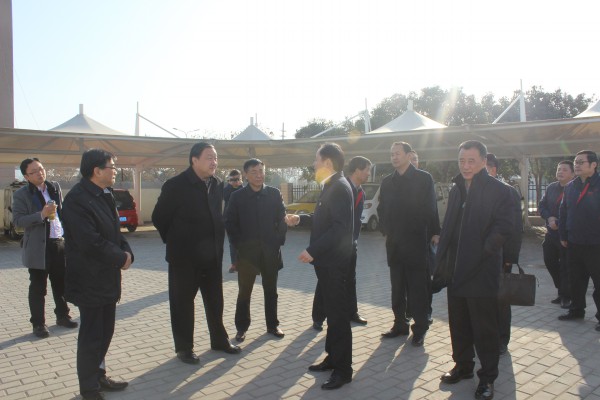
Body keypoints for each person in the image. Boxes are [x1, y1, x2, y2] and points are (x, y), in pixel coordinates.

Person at [436, 140, 513, 400]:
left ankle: (487, 378)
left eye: (471, 161)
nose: (466, 166)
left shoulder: (500, 190)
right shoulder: (456, 188)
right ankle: (463, 366)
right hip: (455, 270)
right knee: (458, 324)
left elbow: (504, 227)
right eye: (462, 161)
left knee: (484, 330)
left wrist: (483, 251)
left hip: (481, 270)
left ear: (483, 161)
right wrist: (441, 260)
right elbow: (449, 225)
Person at [152, 142, 241, 365]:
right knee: (182, 303)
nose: (214, 162)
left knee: (215, 301)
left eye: (216, 158)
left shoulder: (217, 184)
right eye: (209, 157)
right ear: (194, 160)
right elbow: (159, 217)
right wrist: (176, 241)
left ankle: (219, 340)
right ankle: (184, 348)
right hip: (184, 258)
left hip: (212, 256)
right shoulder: (175, 185)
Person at [62, 149, 133, 400]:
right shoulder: (77, 200)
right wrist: (120, 257)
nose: (115, 172)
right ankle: (89, 388)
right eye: (112, 167)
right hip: (88, 279)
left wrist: (127, 251)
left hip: (107, 277)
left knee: (105, 331)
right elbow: (89, 242)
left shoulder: (104, 194)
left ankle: (99, 374)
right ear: (97, 170)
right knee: (92, 335)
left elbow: (115, 231)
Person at [286, 143, 354, 390]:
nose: (314, 164)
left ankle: (343, 371)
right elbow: (324, 220)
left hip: (335, 265)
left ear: (327, 162)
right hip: (327, 265)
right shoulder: (330, 185)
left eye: (316, 160)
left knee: (338, 317)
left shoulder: (339, 187)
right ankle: (333, 358)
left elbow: (339, 229)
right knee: (332, 315)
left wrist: (312, 250)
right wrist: (301, 219)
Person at [377, 141, 440, 346]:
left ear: (408, 155)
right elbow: (381, 208)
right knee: (397, 288)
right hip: (394, 244)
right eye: (392, 154)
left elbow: (430, 208)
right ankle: (399, 324)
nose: (394, 157)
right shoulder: (387, 181)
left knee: (417, 289)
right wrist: (386, 230)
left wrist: (433, 232)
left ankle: (420, 328)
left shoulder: (423, 178)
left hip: (416, 243)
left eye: (397, 153)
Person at [12, 158, 78, 338]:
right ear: (26, 176)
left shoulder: (54, 187)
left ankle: (63, 316)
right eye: (34, 172)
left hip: (58, 243)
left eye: (41, 169)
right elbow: (18, 221)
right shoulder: (22, 194)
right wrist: (41, 215)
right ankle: (38, 324)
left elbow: (61, 212)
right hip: (38, 248)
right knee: (38, 288)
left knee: (61, 284)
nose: (40, 173)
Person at [224, 159, 287, 342]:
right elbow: (230, 222)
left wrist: (278, 241)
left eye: (261, 171)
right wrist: (239, 246)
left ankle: (273, 325)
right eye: (254, 172)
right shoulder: (237, 196)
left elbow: (282, 218)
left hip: (270, 252)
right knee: (244, 292)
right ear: (245, 174)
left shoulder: (274, 193)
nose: (259, 175)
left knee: (271, 290)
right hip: (247, 254)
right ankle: (241, 327)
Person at [312, 156, 370, 329]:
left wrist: (354, 240)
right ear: (357, 170)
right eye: (367, 169)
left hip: (350, 244)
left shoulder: (360, 192)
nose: (369, 173)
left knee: (350, 279)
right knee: (326, 282)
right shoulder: (342, 188)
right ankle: (318, 316)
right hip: (334, 247)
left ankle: (352, 312)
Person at [558, 150, 600, 332]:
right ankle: (576, 310)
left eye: (581, 162)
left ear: (593, 165)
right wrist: (563, 235)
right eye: (576, 162)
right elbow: (563, 212)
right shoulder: (570, 187)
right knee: (576, 279)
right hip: (574, 242)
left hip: (596, 243)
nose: (577, 165)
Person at [485, 153, 523, 355]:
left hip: (500, 257)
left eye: (485, 167)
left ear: (494, 169)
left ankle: (501, 339)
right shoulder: (469, 191)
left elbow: (515, 229)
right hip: (478, 259)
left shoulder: (508, 192)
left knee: (500, 299)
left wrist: (510, 258)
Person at [539, 161, 575, 309]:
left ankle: (566, 296)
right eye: (559, 169)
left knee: (566, 266)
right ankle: (561, 289)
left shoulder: (575, 189)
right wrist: (549, 218)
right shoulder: (551, 188)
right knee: (550, 261)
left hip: (566, 235)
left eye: (564, 170)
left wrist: (558, 222)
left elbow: (575, 212)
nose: (560, 172)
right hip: (551, 234)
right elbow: (542, 205)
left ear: (572, 173)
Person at [224, 169, 243, 273]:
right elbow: (226, 196)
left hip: (242, 221)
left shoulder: (244, 190)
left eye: (237, 179)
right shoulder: (227, 190)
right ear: (229, 180)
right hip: (230, 221)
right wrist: (230, 185)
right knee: (232, 243)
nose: (236, 181)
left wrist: (240, 186)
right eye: (233, 179)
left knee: (243, 243)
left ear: (241, 179)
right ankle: (234, 264)